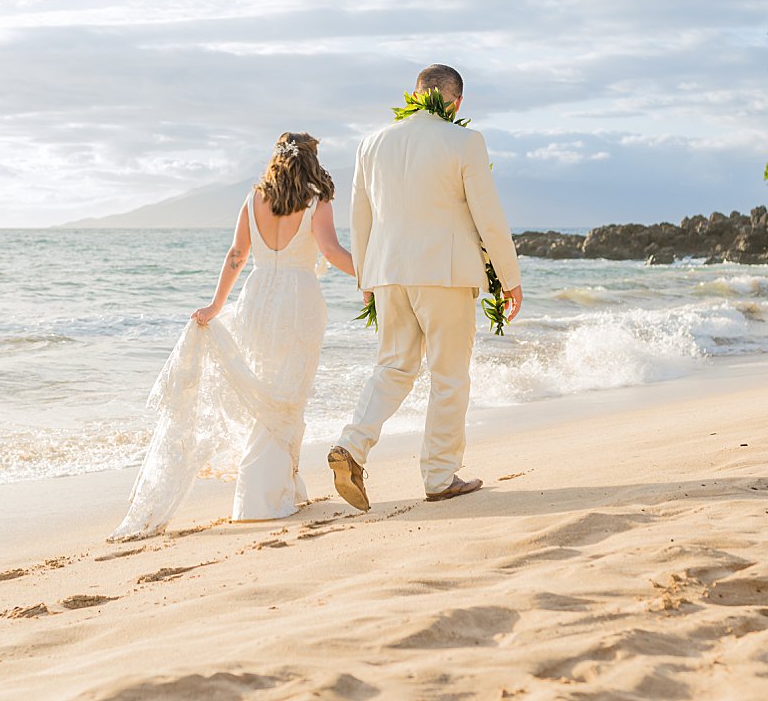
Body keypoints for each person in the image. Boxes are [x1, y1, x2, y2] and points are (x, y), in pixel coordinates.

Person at [110, 132, 356, 540]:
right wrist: (369, 274)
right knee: (288, 393)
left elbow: (237, 256)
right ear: (310, 161)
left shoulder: (254, 198)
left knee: (268, 391)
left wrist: (216, 305)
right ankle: (260, 496)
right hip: (299, 299)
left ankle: (284, 487)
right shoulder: (316, 198)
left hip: (257, 298)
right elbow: (329, 251)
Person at [328, 64, 523, 510]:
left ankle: (352, 446)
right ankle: (439, 474)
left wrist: (365, 278)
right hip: (446, 271)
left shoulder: (371, 143)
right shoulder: (465, 141)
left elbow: (360, 216)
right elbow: (487, 215)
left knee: (394, 368)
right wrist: (509, 279)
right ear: (456, 103)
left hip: (388, 272)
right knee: (449, 374)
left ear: (415, 95)